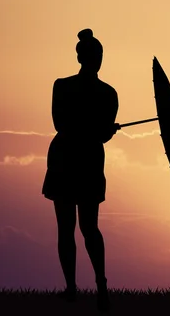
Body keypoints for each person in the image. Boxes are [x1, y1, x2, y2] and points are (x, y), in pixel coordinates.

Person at [42, 28, 119, 311]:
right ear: (87, 57)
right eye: (95, 55)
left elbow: (62, 124)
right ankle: (92, 286)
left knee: (75, 227)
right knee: (84, 227)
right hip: (81, 159)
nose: (97, 59)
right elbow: (97, 134)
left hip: (69, 158)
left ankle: (81, 287)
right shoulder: (107, 93)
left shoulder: (62, 86)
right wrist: (103, 129)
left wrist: (101, 130)